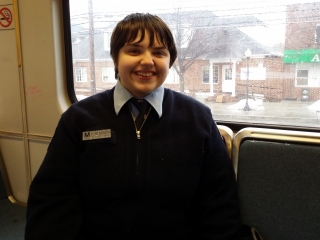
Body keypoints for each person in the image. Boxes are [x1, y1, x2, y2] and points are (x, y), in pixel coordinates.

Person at [25, 13, 241, 239]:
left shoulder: (198, 118)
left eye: (159, 52)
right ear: (116, 59)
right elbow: (52, 200)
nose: (147, 61)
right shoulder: (79, 119)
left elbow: (219, 205)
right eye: (134, 50)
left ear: (170, 61)